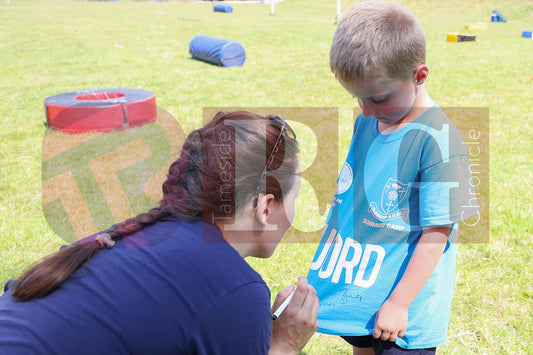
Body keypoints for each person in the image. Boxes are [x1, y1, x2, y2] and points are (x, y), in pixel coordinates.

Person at [0, 111, 319, 355]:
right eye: (295, 196)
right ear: (265, 208)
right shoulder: (236, 290)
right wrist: (284, 345)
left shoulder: (148, 232)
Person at [307, 2, 479, 354]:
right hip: (363, 296)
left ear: (419, 76)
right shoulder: (367, 122)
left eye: (378, 97)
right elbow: (352, 197)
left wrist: (399, 303)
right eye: (357, 98)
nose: (365, 109)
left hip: (404, 317)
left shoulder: (440, 142)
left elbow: (436, 233)